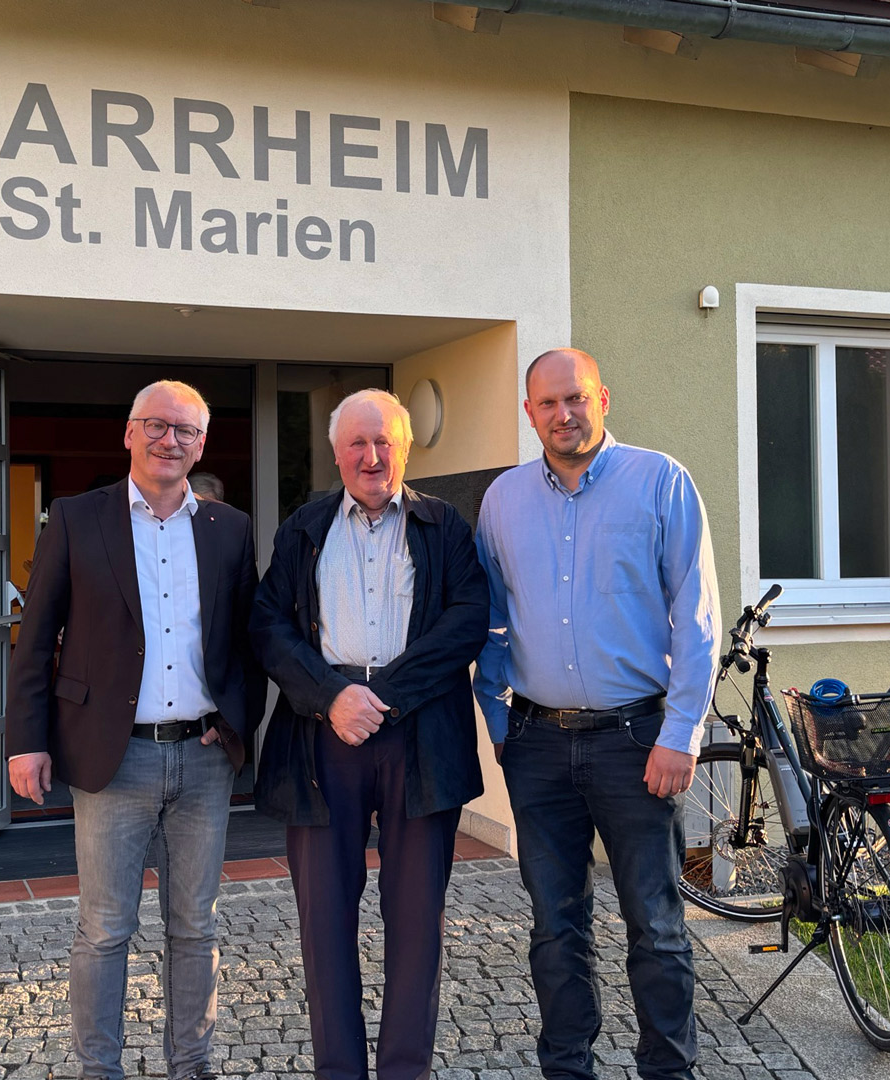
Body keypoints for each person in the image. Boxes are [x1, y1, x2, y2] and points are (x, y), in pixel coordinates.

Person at [5, 380, 264, 1080]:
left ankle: (192, 1064)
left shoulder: (229, 529)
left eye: (185, 431)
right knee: (104, 929)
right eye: (155, 425)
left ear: (201, 446)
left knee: (196, 925)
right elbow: (37, 638)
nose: (168, 440)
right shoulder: (76, 517)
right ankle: (99, 1070)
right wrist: (26, 740)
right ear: (129, 433)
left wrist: (235, 724)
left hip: (204, 760)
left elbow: (248, 642)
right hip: (113, 759)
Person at [474, 349, 721, 1080]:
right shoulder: (503, 499)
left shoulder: (661, 481)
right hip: (537, 742)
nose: (564, 414)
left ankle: (668, 1071)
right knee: (555, 928)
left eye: (575, 398)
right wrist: (498, 720)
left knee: (656, 925)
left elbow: (696, 619)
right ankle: (567, 1069)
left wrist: (681, 734)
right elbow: (489, 618)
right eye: (548, 403)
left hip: (638, 742)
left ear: (602, 398)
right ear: (529, 413)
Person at [250, 389, 489, 1080]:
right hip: (322, 740)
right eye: (358, 442)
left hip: (422, 738)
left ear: (405, 448)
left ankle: (405, 1071)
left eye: (385, 441)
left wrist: (383, 697)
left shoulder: (444, 524)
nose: (372, 455)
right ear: (337, 453)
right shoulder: (304, 527)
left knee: (416, 922)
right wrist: (332, 697)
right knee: (325, 921)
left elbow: (468, 619)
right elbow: (268, 625)